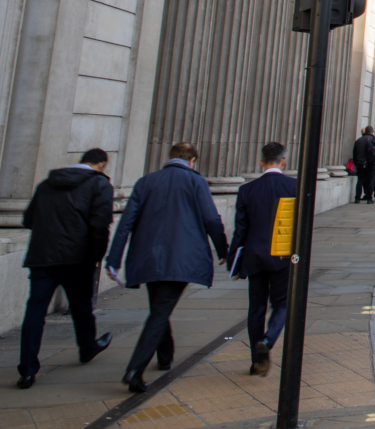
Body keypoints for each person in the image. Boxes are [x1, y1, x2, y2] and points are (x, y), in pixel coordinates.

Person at [105, 143, 228, 393]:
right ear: (192, 160)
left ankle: (165, 355)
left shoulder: (146, 182)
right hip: (181, 257)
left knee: (159, 306)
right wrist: (224, 250)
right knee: (160, 311)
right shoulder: (196, 182)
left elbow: (126, 221)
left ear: (169, 158)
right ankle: (134, 370)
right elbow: (211, 219)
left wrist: (114, 259)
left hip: (148, 256)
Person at [16, 148, 114, 389]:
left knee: (35, 312)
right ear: (101, 164)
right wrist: (97, 256)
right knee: (81, 307)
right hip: (77, 258)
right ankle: (88, 347)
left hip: (42, 256)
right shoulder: (99, 184)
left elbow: (28, 219)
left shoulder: (47, 183)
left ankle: (27, 370)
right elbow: (100, 225)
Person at [227, 143, 295, 376]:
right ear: (284, 160)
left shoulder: (247, 190)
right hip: (282, 255)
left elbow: (240, 230)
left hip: (253, 256)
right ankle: (268, 340)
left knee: (256, 308)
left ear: (261, 162)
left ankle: (256, 362)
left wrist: (232, 260)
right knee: (282, 304)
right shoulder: (294, 186)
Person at [352, 126, 375, 204]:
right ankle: (369, 198)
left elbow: (354, 153)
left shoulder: (358, 140)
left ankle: (357, 198)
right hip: (371, 163)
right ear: (372, 131)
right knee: (370, 180)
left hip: (360, 163)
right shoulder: (373, 139)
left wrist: (356, 162)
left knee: (360, 180)